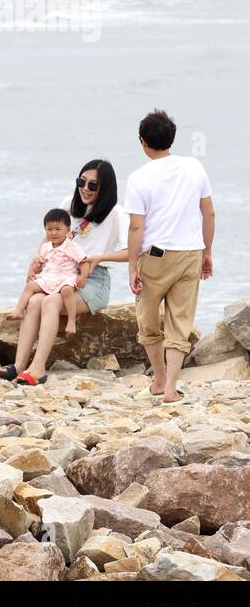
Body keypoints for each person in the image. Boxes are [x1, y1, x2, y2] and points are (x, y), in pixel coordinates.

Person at [1, 160, 129, 385]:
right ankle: (19, 366)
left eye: (92, 185)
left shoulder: (115, 213)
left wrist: (99, 257)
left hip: (93, 280)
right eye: (82, 182)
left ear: (105, 188)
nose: (85, 189)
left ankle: (38, 369)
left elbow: (133, 250)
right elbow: (50, 238)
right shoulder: (68, 205)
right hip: (58, 274)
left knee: (51, 302)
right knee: (34, 301)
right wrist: (37, 260)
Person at [125, 110, 215, 404]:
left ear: (143, 141)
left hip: (156, 256)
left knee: (148, 321)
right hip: (191, 252)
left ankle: (159, 379)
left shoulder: (138, 177)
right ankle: (170, 388)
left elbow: (136, 226)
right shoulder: (194, 167)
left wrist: (131, 268)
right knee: (181, 321)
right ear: (171, 138)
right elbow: (208, 212)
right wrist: (208, 252)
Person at [6, 209, 90, 343]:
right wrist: (34, 270)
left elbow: (84, 262)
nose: (54, 233)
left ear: (68, 229)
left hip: (66, 277)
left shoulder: (71, 246)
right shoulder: (46, 247)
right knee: (31, 286)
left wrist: (83, 276)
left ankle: (71, 321)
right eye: (49, 229)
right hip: (49, 277)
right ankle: (19, 310)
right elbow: (39, 264)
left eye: (58, 229)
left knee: (67, 291)